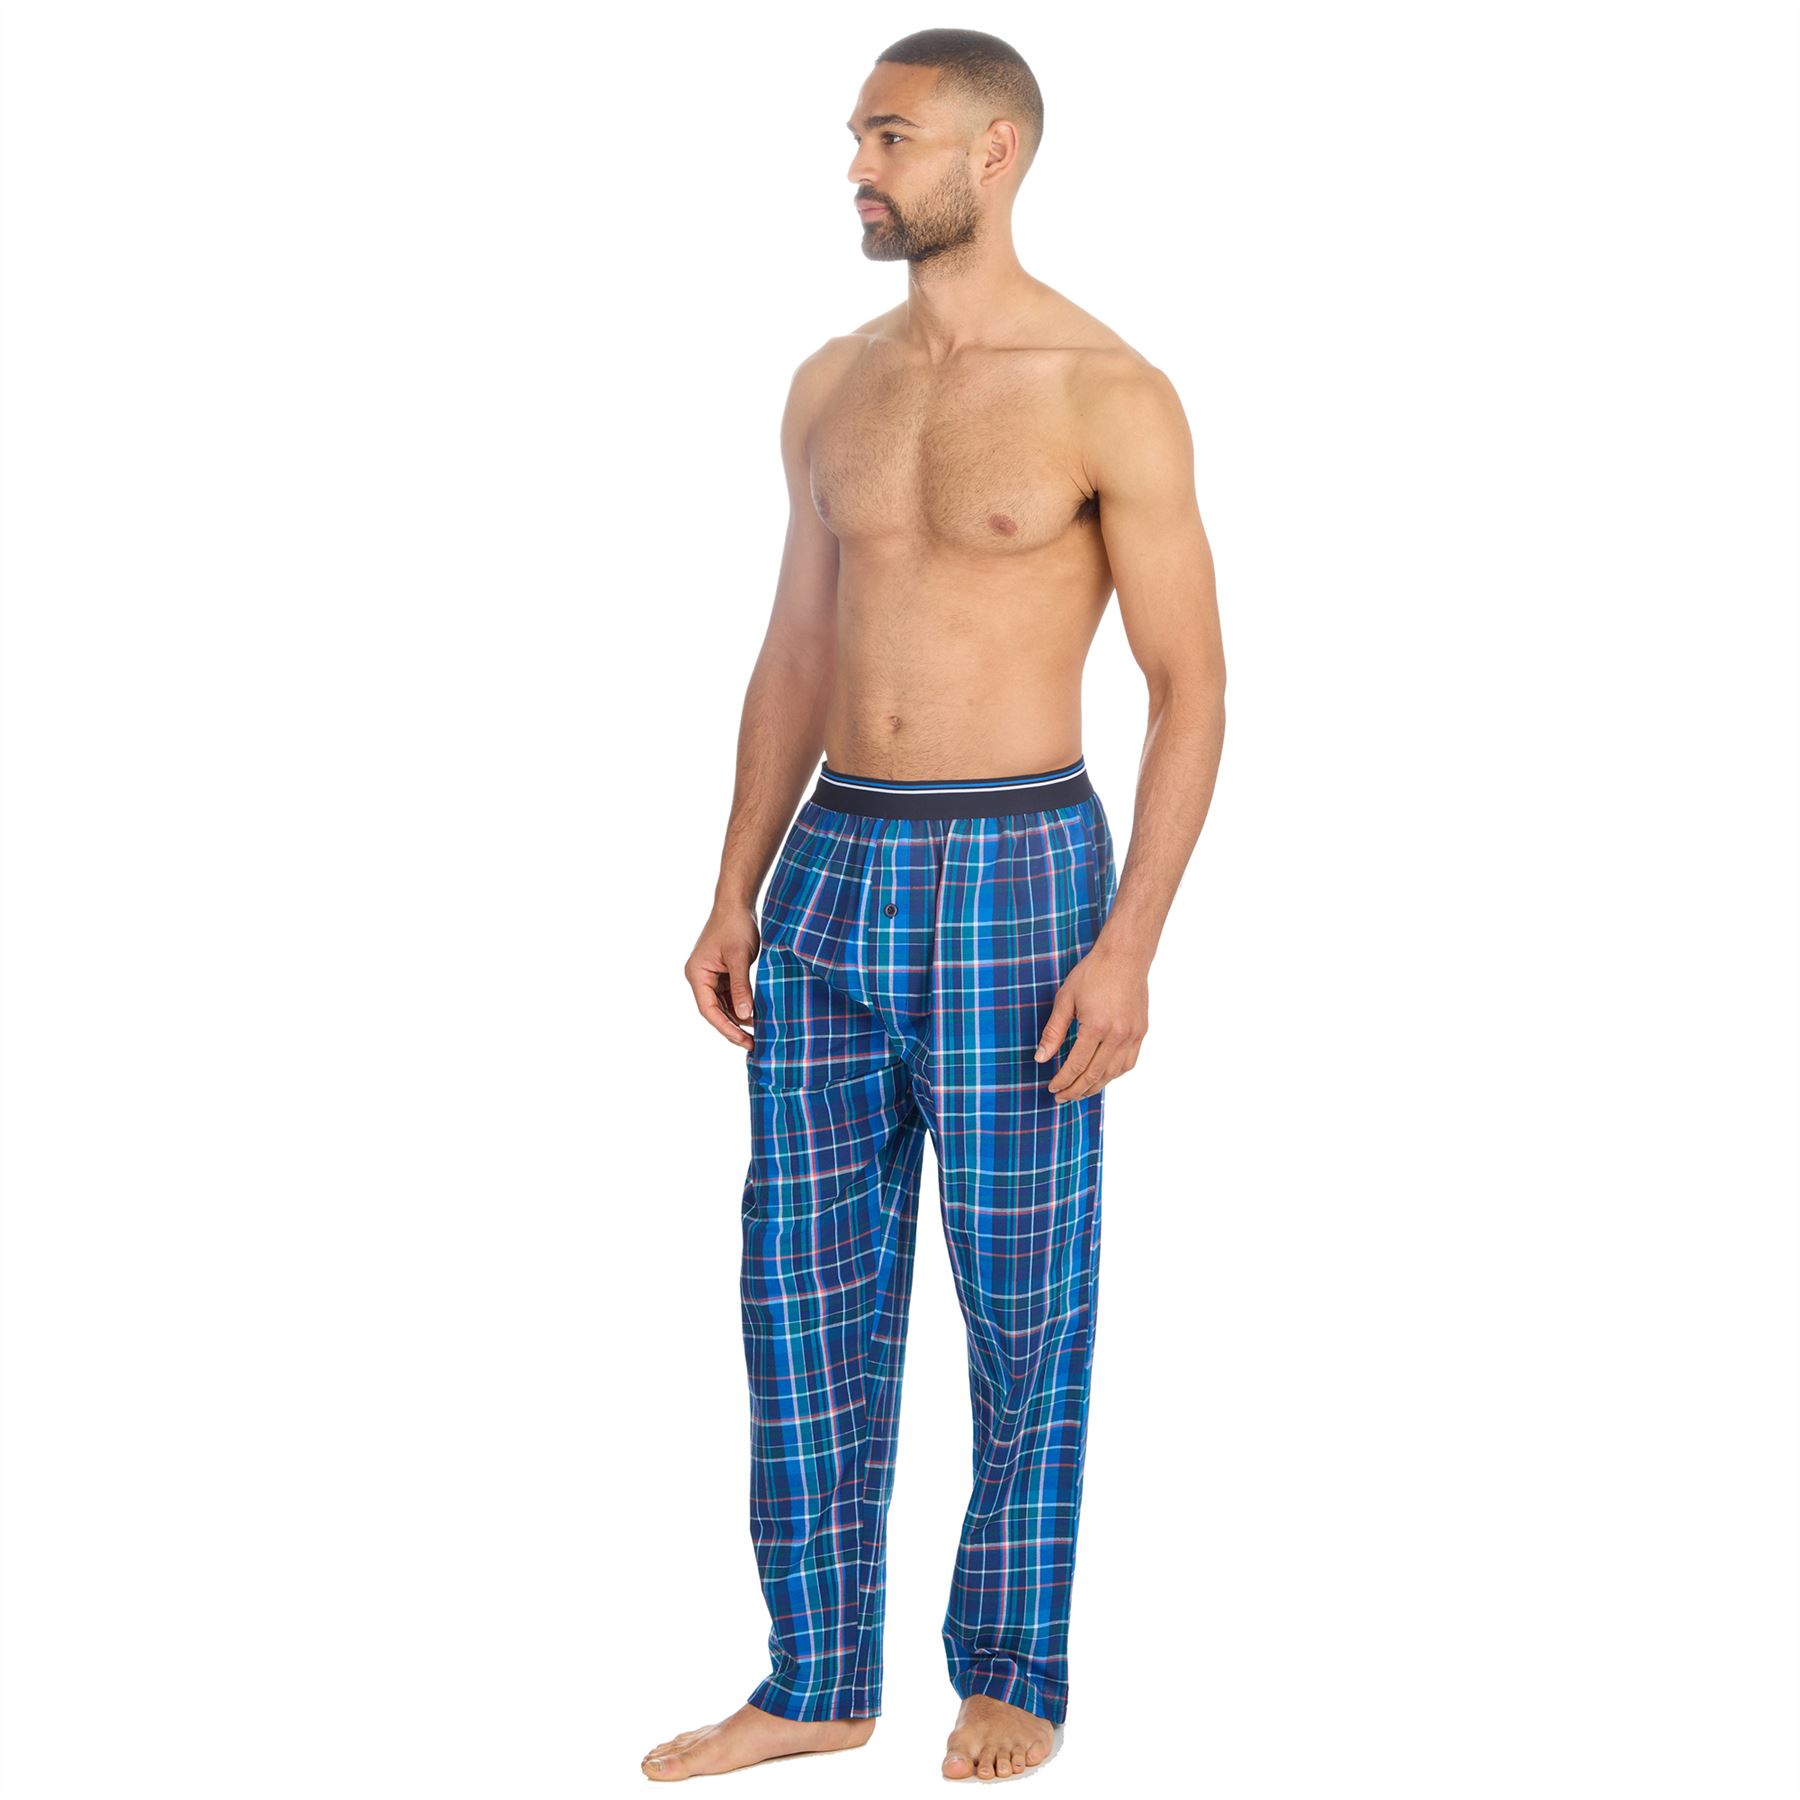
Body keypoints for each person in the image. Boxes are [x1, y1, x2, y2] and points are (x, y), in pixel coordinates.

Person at [650, 26, 1226, 1785]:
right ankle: (817, 1675)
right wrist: (732, 885)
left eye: (888, 137)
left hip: (1020, 870)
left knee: (1023, 1297)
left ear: (993, 153)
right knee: (798, 1284)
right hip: (835, 858)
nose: (857, 168)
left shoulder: (1109, 390)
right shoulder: (830, 385)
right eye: (855, 136)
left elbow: (1192, 686)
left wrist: (1130, 943)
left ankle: (1014, 1672)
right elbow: (795, 651)